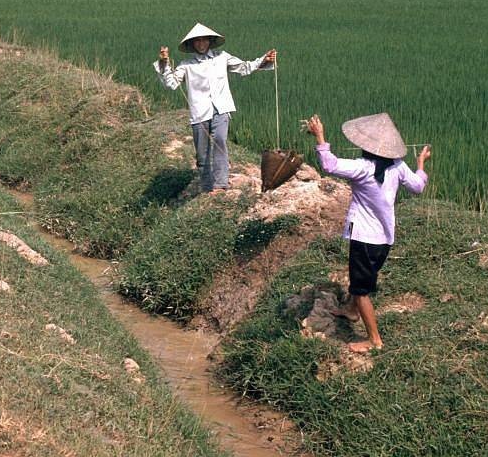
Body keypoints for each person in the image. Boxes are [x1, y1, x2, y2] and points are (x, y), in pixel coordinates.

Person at [306, 112, 431, 353]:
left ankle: (374, 340)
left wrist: (320, 136)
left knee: (362, 291)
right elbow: (418, 186)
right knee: (362, 277)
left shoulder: (363, 168)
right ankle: (352, 311)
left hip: (364, 237)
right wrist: (421, 164)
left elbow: (329, 164)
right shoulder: (398, 167)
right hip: (384, 239)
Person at [155, 23, 276, 194]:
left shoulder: (222, 57)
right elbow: (171, 83)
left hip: (221, 108)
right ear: (192, 44)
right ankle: (206, 187)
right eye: (197, 41)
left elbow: (244, 67)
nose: (201, 44)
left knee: (220, 141)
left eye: (204, 40)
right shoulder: (186, 65)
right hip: (199, 113)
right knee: (203, 154)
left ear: (210, 42)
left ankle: (221, 184)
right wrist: (164, 63)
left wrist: (264, 60)